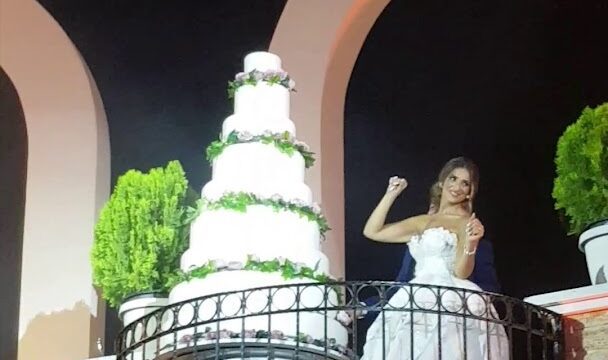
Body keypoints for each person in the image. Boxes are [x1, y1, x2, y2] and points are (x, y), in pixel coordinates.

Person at [361, 157, 508, 360]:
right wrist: (391, 194)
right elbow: (372, 231)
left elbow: (461, 272)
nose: (457, 187)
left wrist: (472, 244)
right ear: (442, 181)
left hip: (450, 296)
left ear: (470, 191)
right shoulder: (423, 221)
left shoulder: (466, 222)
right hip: (414, 294)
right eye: (453, 178)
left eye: (465, 183)